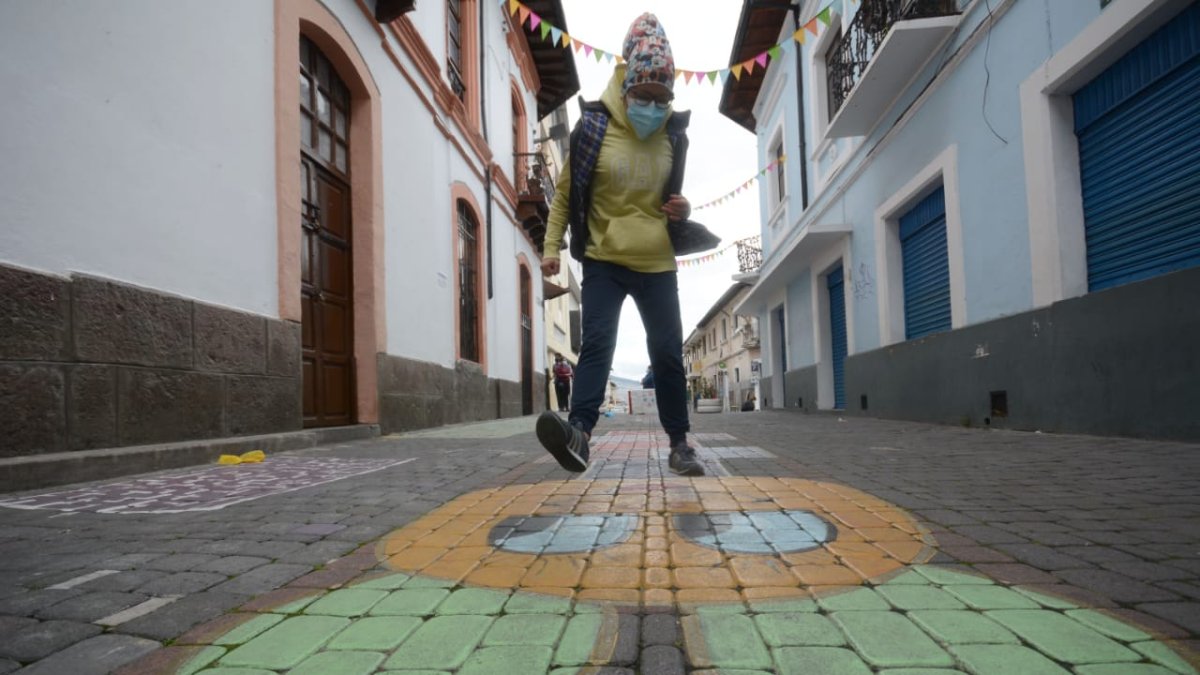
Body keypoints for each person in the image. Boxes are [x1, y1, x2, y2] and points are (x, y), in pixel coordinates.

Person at [535, 12, 704, 477]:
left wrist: (683, 209)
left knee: (668, 352)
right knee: (597, 346)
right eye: (644, 95)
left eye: (662, 97)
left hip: (656, 260)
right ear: (626, 86)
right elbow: (566, 194)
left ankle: (680, 444)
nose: (654, 105)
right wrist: (551, 247)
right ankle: (579, 436)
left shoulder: (673, 134)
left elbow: (672, 197)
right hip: (604, 259)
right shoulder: (593, 128)